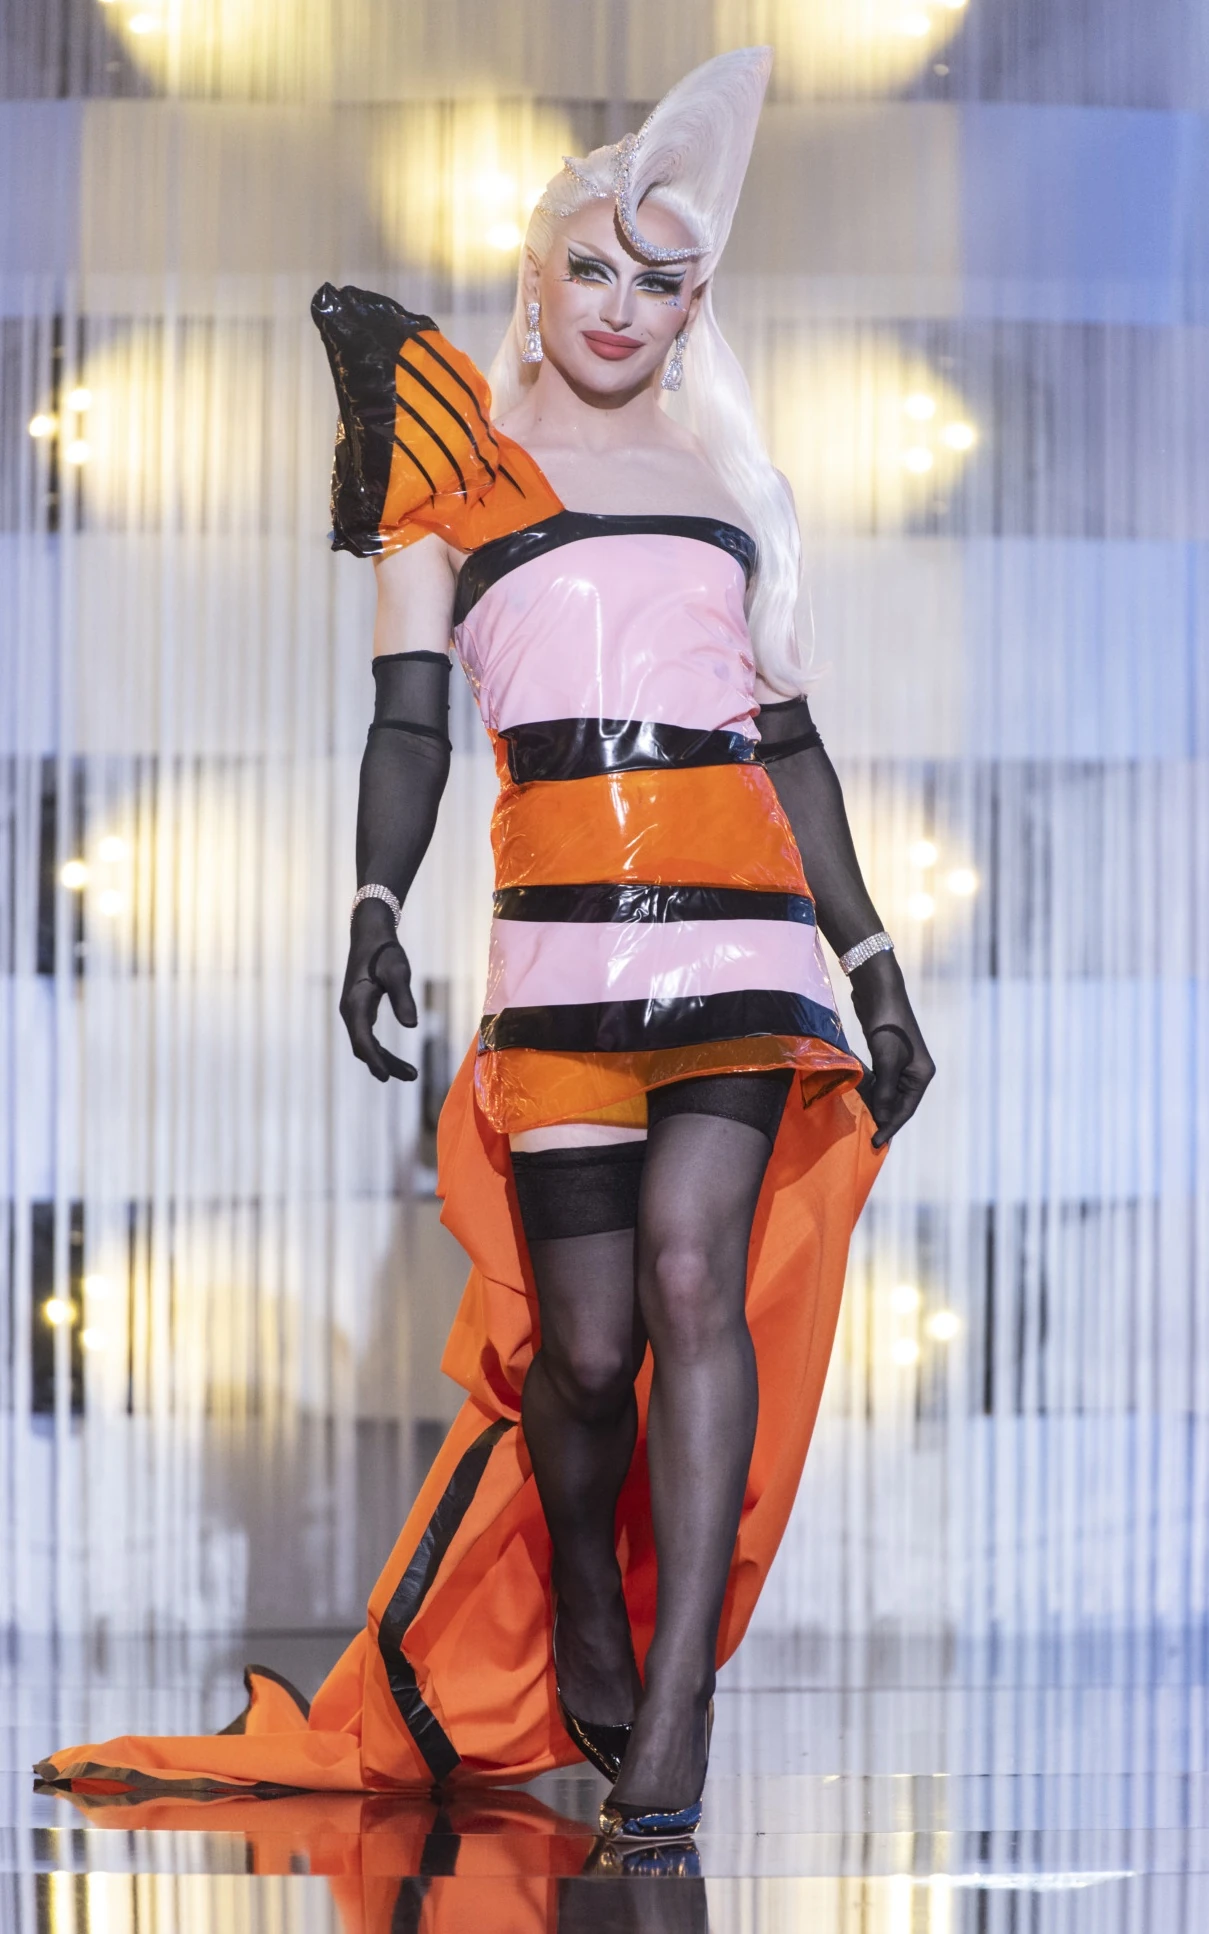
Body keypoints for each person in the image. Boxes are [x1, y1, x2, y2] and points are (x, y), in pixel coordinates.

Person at [37, 47, 931, 1842]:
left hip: (745, 941)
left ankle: (676, 1702)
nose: (616, 305)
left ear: (695, 305)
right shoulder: (448, 466)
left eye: (656, 280)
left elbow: (791, 742)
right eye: (589, 267)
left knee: (694, 1277)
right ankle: (587, 1598)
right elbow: (410, 724)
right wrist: (375, 901)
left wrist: (876, 958)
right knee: (585, 1352)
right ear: (536, 274)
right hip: (562, 963)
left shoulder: (729, 478)